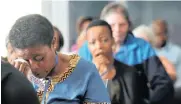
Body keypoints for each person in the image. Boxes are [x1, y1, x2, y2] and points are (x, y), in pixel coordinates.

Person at [78, 2, 174, 104]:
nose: (117, 30)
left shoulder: (142, 48)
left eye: (122, 25)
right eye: (112, 25)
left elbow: (162, 84)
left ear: (129, 25)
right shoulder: (87, 49)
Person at [7, 14, 111, 104]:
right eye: (25, 60)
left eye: (39, 58)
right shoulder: (18, 74)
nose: (33, 66)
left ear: (53, 43)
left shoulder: (85, 71)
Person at [86, 19, 142, 104]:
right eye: (93, 42)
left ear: (112, 41)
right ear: (88, 46)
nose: (99, 46)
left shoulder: (130, 73)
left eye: (104, 40)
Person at [151, 19, 181, 104]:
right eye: (155, 34)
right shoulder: (147, 52)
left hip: (173, 94)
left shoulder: (177, 52)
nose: (157, 37)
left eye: (160, 34)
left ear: (166, 34)